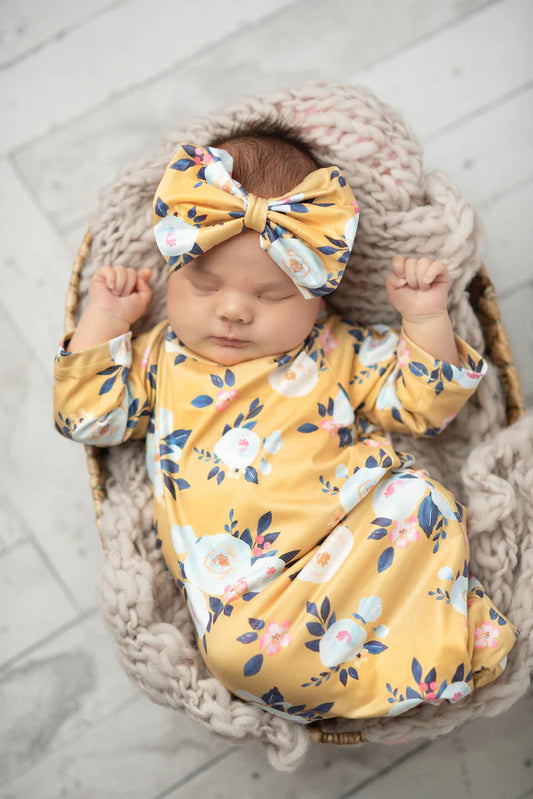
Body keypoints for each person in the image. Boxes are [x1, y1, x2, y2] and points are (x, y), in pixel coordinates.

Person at [54, 121, 517, 724]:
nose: (232, 309)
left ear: (320, 297)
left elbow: (425, 406)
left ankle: (439, 638)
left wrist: (424, 318)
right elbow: (85, 413)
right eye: (203, 282)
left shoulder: (329, 348)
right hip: (252, 593)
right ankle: (407, 661)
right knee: (232, 655)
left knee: (418, 500)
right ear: (172, 275)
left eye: (271, 295)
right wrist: (107, 317)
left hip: (351, 531)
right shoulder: (161, 358)